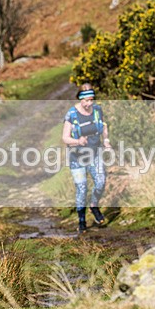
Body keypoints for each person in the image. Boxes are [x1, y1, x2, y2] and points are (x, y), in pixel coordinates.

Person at [61, 84, 109, 233]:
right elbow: (65, 138)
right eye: (86, 100)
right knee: (82, 189)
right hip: (77, 157)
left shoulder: (97, 110)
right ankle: (81, 221)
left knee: (101, 182)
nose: (89, 103)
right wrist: (78, 141)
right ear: (80, 99)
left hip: (95, 154)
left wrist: (106, 141)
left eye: (91, 100)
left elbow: (104, 126)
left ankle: (94, 205)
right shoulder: (72, 115)